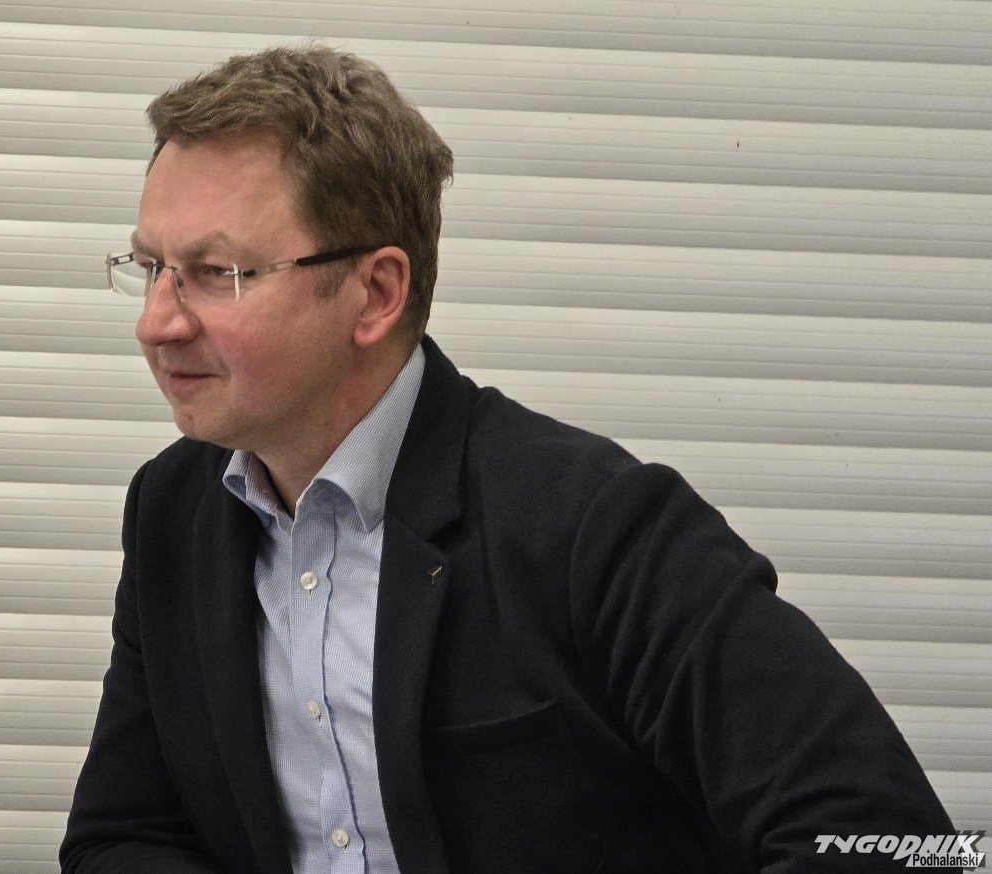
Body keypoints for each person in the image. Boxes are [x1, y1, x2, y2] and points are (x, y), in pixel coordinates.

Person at [60, 45, 957, 874]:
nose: (155, 322)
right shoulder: (172, 511)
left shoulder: (596, 528)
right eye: (151, 267)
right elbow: (123, 837)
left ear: (375, 293)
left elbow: (901, 844)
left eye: (218, 274)